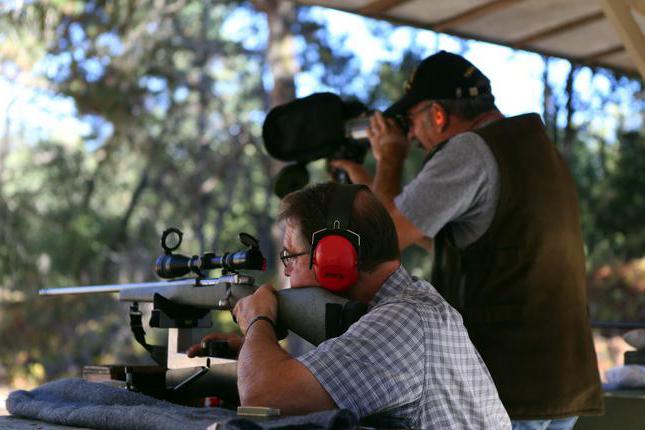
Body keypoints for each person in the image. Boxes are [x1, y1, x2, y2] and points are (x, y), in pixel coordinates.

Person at [331, 51, 604, 429]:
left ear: (438, 114)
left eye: (410, 122)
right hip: (560, 379)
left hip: (510, 383)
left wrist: (390, 158)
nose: (410, 136)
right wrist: (369, 181)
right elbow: (463, 244)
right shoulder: (535, 148)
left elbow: (386, 238)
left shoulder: (470, 149)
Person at [189, 182, 510, 429]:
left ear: (333, 258)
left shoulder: (401, 321)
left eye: (291, 255)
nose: (285, 271)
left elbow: (263, 396)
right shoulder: (412, 303)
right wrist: (256, 349)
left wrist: (258, 319)